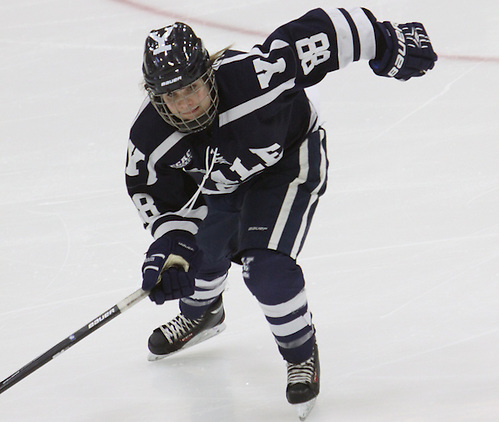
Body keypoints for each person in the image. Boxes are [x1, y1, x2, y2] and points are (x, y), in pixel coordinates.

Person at [125, 6, 437, 419]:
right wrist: (173, 247)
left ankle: (300, 354)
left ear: (209, 71)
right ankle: (202, 315)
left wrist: (383, 39)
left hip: (289, 160)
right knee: (199, 257)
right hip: (225, 182)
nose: (185, 104)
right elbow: (156, 196)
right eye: (171, 96)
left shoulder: (256, 76)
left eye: (193, 88)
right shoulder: (149, 137)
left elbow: (320, 34)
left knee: (266, 266)